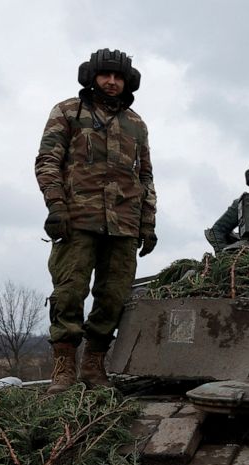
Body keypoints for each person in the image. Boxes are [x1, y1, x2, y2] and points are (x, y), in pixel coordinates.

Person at [35, 48, 157, 394]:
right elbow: (47, 161)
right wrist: (56, 206)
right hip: (77, 219)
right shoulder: (68, 112)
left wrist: (147, 223)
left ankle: (93, 365)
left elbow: (145, 177)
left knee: (114, 296)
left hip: (123, 224)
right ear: (92, 76)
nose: (112, 82)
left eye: (118, 77)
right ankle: (64, 368)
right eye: (106, 75)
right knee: (69, 292)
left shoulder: (136, 124)